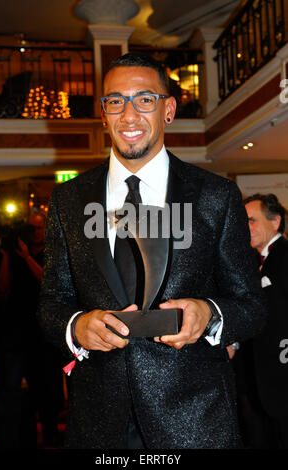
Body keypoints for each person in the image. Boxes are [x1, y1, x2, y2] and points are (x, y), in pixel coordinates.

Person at [37, 53, 266, 449]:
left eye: (144, 99)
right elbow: (50, 304)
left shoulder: (216, 196)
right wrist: (76, 326)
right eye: (115, 101)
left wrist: (208, 314)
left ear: (169, 110)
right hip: (98, 423)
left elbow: (252, 306)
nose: (129, 115)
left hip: (195, 419)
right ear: (103, 113)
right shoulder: (67, 200)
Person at [0, 213, 64, 448]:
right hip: (18, 331)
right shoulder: (15, 253)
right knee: (16, 391)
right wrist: (5, 254)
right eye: (31, 229)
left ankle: (51, 432)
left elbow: (48, 282)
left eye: (38, 228)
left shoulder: (52, 252)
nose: (35, 233)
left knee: (47, 387)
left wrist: (27, 259)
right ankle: (25, 436)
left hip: (45, 333)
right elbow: (2, 289)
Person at [244, 193, 288, 448]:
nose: (246, 227)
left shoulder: (285, 256)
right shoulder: (254, 262)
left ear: (275, 222)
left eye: (252, 220)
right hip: (264, 378)